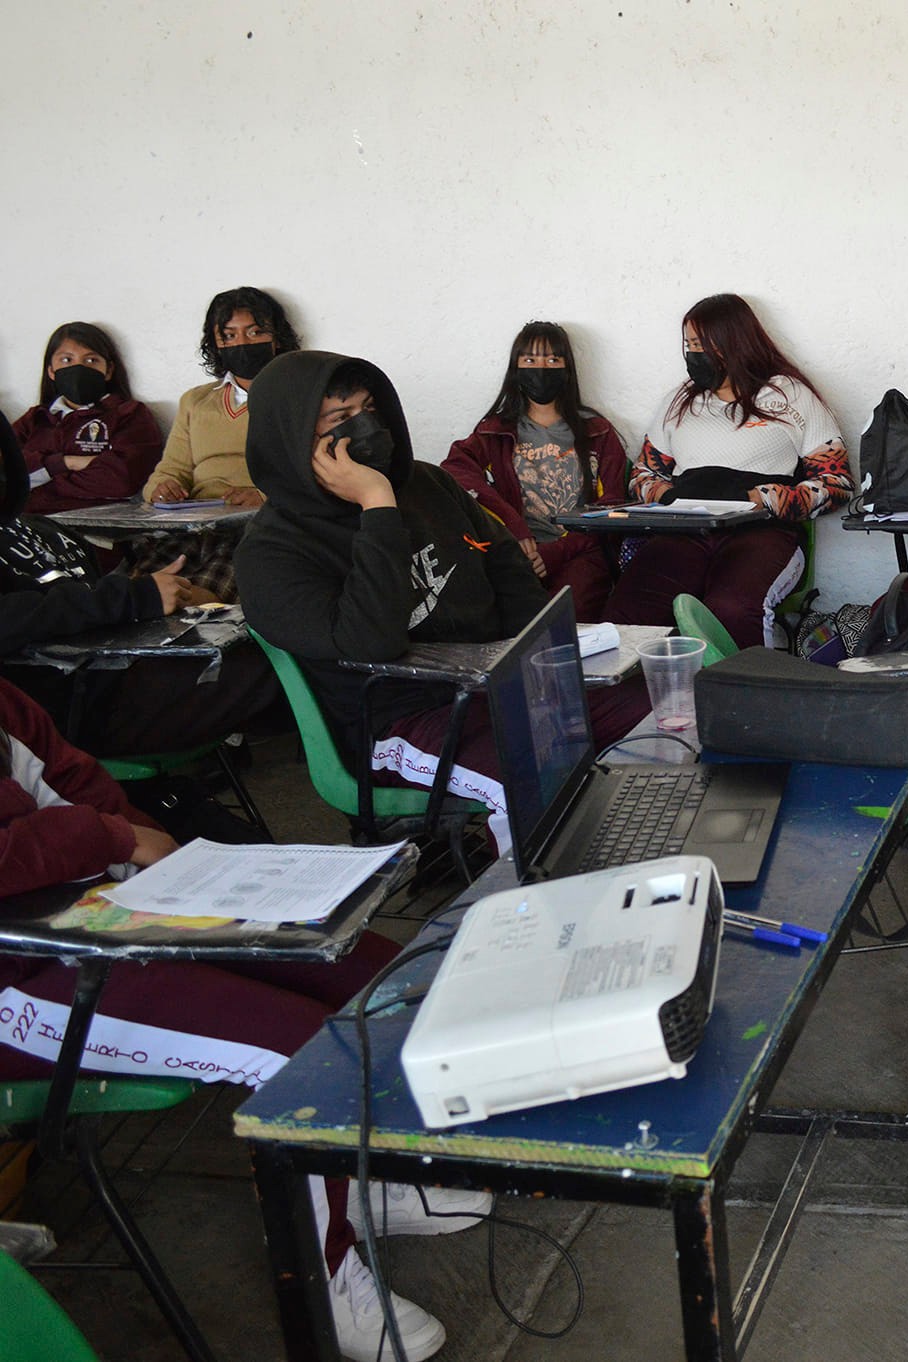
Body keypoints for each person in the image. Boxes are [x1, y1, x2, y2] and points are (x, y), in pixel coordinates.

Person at [0, 675, 482, 1359]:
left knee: (374, 975)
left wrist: (134, 852)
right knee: (298, 1056)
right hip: (20, 976)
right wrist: (105, 835)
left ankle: (356, 1179)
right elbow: (72, 830)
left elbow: (75, 776)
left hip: (96, 915)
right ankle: (323, 1272)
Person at [235, 351, 648, 830]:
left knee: (662, 716)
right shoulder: (271, 553)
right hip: (404, 720)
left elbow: (510, 577)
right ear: (293, 439)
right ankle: (549, 897)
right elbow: (372, 642)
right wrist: (376, 505)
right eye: (341, 419)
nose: (366, 426)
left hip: (497, 685)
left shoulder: (428, 483)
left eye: (370, 408)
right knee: (543, 784)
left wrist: (545, 677)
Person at [0, 419, 284, 759]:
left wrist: (158, 597)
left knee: (275, 644)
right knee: (272, 664)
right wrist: (138, 597)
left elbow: (90, 598)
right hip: (74, 710)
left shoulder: (48, 531)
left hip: (118, 670)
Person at [603, 294, 851, 646]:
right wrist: (668, 495)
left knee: (732, 609)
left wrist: (765, 499)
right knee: (628, 611)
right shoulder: (679, 402)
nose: (693, 355)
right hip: (685, 531)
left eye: (702, 345)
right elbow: (643, 474)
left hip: (762, 532)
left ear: (735, 342)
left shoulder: (788, 396)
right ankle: (634, 700)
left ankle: (743, 696)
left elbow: (836, 483)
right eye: (688, 345)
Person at [443, 321, 632, 621]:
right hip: (518, 552)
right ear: (516, 368)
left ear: (567, 367)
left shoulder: (597, 432)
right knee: (507, 619)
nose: (541, 367)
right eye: (530, 359)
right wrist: (514, 527)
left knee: (566, 616)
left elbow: (614, 509)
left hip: (584, 553)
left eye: (552, 359)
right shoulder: (495, 431)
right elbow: (455, 469)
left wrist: (559, 551)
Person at [130, 286, 305, 603]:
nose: (242, 344)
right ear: (216, 344)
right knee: (139, 587)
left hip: (261, 526)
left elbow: (312, 470)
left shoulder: (299, 396)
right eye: (229, 336)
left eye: (254, 332)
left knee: (205, 595)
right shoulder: (196, 401)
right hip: (193, 527)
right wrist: (162, 487)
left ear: (276, 338)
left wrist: (264, 495)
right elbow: (172, 468)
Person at [10, 322, 161, 514]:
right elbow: (6, 474)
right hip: (27, 527)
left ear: (108, 370)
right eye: (66, 360)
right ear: (51, 371)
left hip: (95, 533)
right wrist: (66, 462)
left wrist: (40, 476)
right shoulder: (35, 419)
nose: (78, 368)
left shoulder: (130, 414)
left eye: (91, 361)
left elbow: (122, 481)